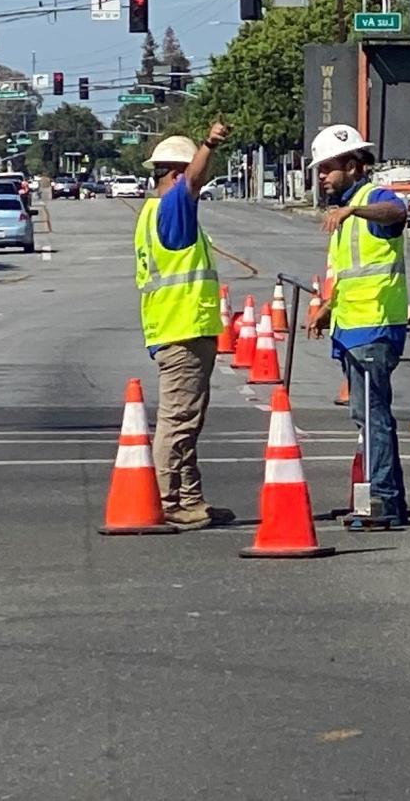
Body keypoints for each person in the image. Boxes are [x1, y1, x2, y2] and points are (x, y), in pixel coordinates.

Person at [307, 123, 410, 528]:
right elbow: (350, 272)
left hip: (375, 326)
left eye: (328, 168)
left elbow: (397, 212)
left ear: (352, 165)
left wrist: (355, 209)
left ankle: (382, 501)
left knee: (372, 417)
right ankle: (390, 500)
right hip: (353, 327)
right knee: (371, 415)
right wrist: (328, 307)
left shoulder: (372, 200)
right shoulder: (344, 212)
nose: (322, 177)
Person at [135, 122, 232, 530]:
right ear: (176, 174)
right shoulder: (173, 205)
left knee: (187, 420)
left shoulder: (154, 213)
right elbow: (193, 180)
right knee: (178, 421)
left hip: (178, 330)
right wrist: (208, 145)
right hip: (183, 331)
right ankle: (167, 500)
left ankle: (190, 498)